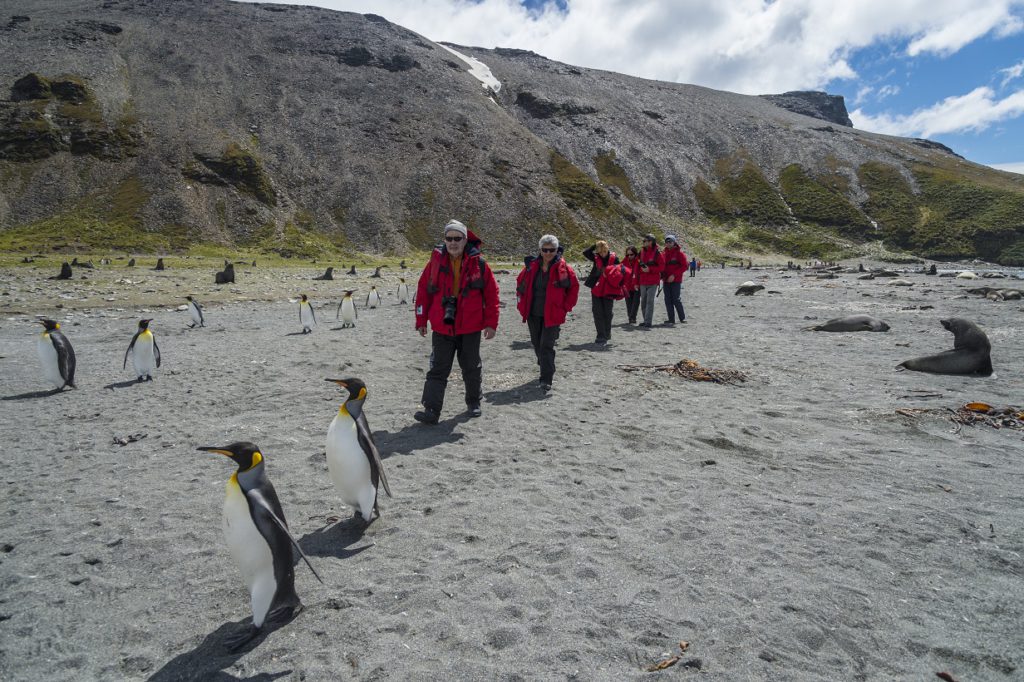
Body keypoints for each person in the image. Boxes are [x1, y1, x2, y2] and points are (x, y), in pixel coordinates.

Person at [413, 219, 499, 424]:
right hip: (442, 325)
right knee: (438, 368)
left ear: (465, 239)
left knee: (471, 365)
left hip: (470, 325)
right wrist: (421, 319)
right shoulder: (434, 262)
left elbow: (492, 294)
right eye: (449, 238)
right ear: (444, 240)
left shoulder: (479, 263)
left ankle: (473, 402)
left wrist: (491, 323)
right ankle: (431, 410)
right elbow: (423, 291)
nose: (453, 243)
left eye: (457, 238)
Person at [516, 235, 579, 391]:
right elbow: (520, 284)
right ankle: (545, 363)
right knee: (537, 343)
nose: (548, 253)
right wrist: (521, 305)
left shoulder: (564, 269)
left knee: (546, 346)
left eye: (552, 250)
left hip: (553, 313)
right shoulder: (531, 267)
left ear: (557, 250)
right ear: (540, 250)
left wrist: (565, 307)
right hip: (533, 312)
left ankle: (546, 379)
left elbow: (574, 289)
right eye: (545, 249)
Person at [582, 240, 619, 344]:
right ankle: (600, 335)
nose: (602, 254)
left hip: (609, 288)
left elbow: (620, 271)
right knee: (597, 311)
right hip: (596, 287)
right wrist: (596, 244)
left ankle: (607, 333)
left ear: (607, 249)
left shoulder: (614, 258)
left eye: (604, 251)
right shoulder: (595, 257)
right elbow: (585, 252)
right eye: (600, 252)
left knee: (608, 312)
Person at [636, 234, 663, 327]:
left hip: (653, 282)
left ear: (650, 242)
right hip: (643, 281)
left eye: (645, 241)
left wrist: (650, 270)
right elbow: (637, 266)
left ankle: (648, 321)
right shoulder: (641, 252)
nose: (643, 242)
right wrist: (637, 278)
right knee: (643, 301)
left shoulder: (657, 253)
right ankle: (645, 319)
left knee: (650, 301)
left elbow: (661, 267)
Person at [661, 235, 688, 325]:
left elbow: (685, 266)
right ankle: (671, 319)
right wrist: (662, 276)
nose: (668, 243)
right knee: (667, 300)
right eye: (667, 242)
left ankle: (682, 318)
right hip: (666, 280)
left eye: (670, 242)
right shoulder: (663, 254)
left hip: (676, 280)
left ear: (674, 242)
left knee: (676, 299)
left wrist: (674, 275)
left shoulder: (680, 254)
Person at [621, 245, 641, 324]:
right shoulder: (624, 261)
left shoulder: (639, 261)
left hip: (637, 285)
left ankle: (632, 317)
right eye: (627, 255)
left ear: (635, 254)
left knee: (635, 302)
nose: (629, 256)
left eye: (631, 254)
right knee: (629, 303)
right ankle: (631, 318)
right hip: (627, 286)